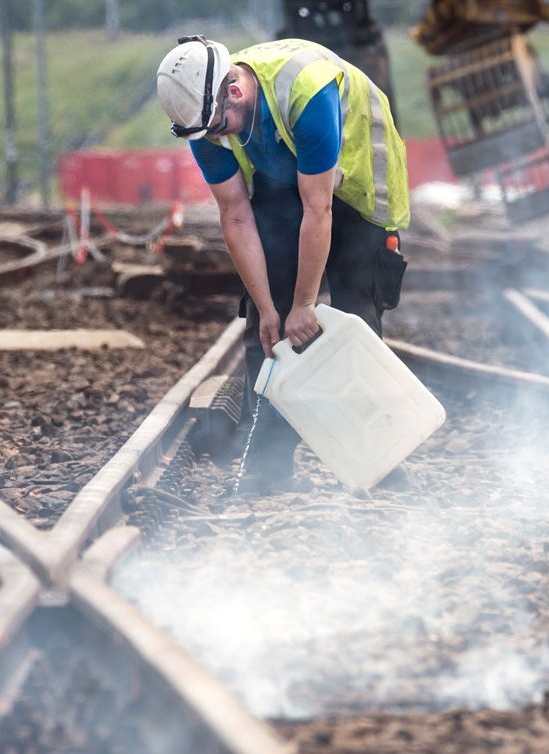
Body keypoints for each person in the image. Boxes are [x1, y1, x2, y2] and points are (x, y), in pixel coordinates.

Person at [157, 36, 410, 493]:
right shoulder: (202, 119)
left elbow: (320, 209)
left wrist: (305, 303)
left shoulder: (306, 91)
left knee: (358, 314)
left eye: (219, 128)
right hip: (284, 181)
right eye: (206, 134)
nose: (217, 139)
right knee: (265, 326)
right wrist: (272, 308)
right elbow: (234, 213)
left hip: (353, 184)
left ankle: (381, 464)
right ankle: (268, 470)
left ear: (234, 91)